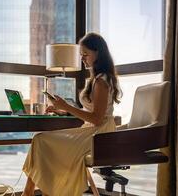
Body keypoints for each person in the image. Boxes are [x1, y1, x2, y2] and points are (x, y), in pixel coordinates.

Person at [22, 33, 122, 196]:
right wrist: (62, 109)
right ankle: (34, 192)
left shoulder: (102, 81)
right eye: (81, 55)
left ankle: (30, 192)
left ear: (97, 53)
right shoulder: (97, 78)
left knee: (41, 140)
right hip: (93, 130)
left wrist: (67, 107)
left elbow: (97, 119)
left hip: (100, 135)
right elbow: (92, 114)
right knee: (41, 140)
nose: (82, 59)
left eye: (85, 54)